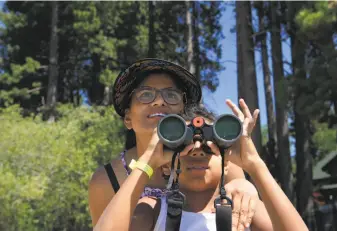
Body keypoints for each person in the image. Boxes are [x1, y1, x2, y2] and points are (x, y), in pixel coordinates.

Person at [93, 99, 309, 231]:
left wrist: (255, 165)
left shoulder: (243, 209)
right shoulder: (154, 208)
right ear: (166, 167)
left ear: (227, 165)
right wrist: (148, 161)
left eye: (209, 148)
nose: (197, 151)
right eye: (185, 148)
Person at [89, 58, 251, 228]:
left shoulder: (214, 156)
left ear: (184, 113)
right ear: (128, 118)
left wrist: (244, 185)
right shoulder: (106, 180)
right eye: (145, 94)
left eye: (171, 95)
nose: (159, 101)